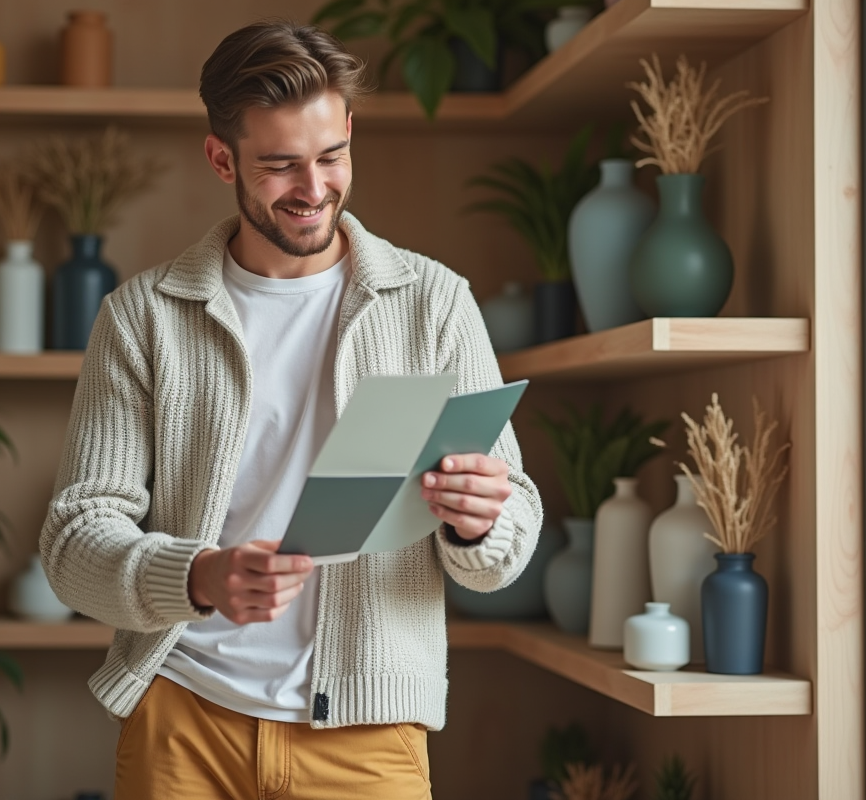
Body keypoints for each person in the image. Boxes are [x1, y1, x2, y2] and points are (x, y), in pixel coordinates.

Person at [40, 19, 543, 800]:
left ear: (349, 131)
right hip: (184, 719)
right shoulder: (143, 316)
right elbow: (74, 543)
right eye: (279, 167)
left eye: (331, 156)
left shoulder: (434, 303)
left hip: (369, 732)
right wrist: (199, 577)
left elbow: (510, 534)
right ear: (221, 159)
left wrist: (480, 519)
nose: (314, 190)